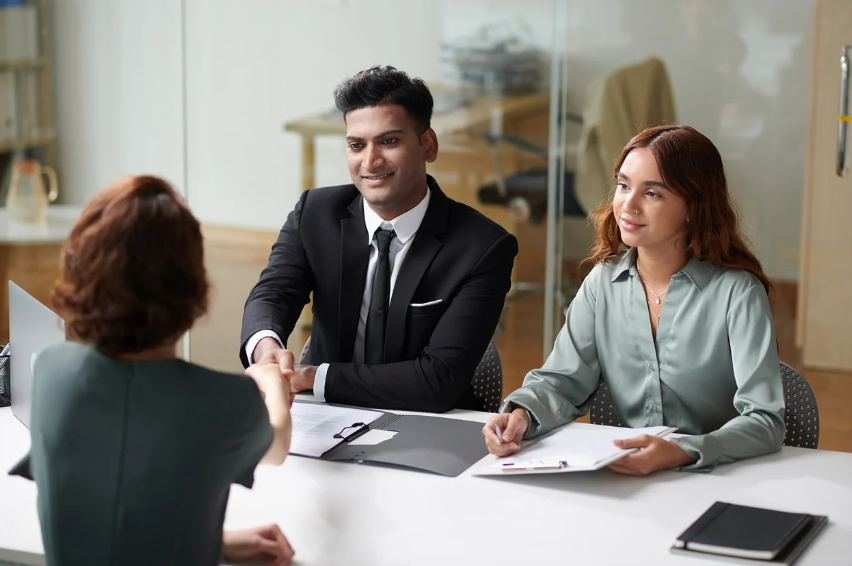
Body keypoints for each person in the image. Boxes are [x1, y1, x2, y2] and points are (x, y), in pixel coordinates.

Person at [10, 176, 295, 565]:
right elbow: (277, 447)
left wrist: (214, 540)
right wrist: (272, 383)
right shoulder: (225, 401)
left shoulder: (49, 370)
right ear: (192, 288)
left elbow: (107, 502)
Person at [483, 125, 786, 474]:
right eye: (624, 186)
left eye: (653, 193)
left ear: (693, 207)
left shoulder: (738, 293)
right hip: (627, 478)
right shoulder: (602, 284)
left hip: (717, 476)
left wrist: (683, 451)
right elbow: (561, 383)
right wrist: (519, 417)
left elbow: (765, 420)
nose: (628, 205)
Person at [241, 66, 518, 412]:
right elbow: (273, 292)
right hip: (325, 418)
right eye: (356, 145)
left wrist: (314, 378)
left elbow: (438, 381)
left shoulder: (483, 248)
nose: (370, 161)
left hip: (428, 424)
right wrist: (265, 345)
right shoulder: (314, 214)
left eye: (389, 141)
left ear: (428, 145)